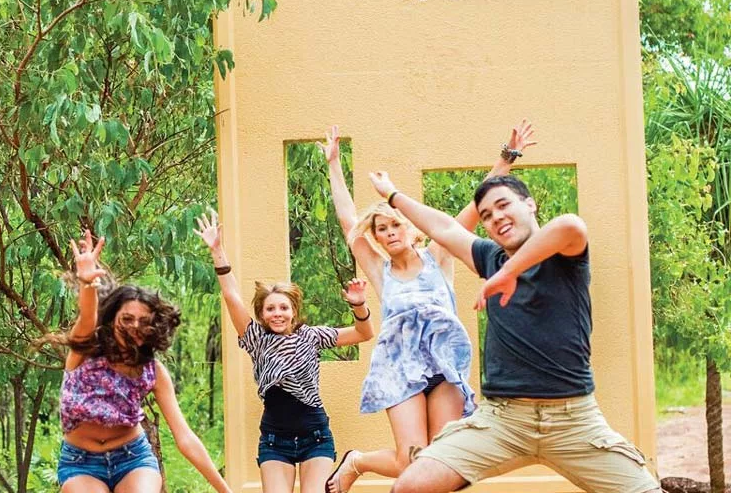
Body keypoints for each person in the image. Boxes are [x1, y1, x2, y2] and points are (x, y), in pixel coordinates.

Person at [366, 172, 661, 493]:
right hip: (502, 421)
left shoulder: (564, 256)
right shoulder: (489, 257)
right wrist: (393, 194)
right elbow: (444, 228)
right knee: (410, 485)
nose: (496, 218)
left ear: (530, 204)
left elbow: (571, 225)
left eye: (503, 205)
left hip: (573, 421)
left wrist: (508, 271)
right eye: (487, 215)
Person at [319, 122, 536, 492]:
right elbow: (347, 223)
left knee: (441, 461)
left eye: (395, 225)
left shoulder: (438, 255)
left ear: (414, 229)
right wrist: (334, 164)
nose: (389, 233)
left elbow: (473, 208)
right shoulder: (380, 270)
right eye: (382, 229)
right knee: (409, 459)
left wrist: (506, 159)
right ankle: (357, 461)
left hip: (445, 365)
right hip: (399, 368)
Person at [194, 210, 375, 493]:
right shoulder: (256, 338)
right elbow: (231, 295)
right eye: (270, 309)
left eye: (283, 307)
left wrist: (359, 305)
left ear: (293, 311)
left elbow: (364, 334)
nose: (277, 313)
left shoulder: (312, 336)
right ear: (262, 315)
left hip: (315, 436)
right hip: (274, 440)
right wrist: (218, 251)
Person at [56, 230, 233, 492]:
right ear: (112, 319)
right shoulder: (85, 351)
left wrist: (225, 490)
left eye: (143, 322)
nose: (134, 328)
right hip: (80, 463)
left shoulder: (153, 371)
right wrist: (87, 284)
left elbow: (184, 437)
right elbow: (86, 318)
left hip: (133, 458)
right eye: (127, 319)